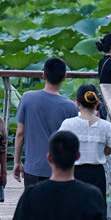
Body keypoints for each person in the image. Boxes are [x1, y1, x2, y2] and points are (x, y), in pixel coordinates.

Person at [14, 57, 79, 188]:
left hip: (33, 168)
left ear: (43, 75)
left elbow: (20, 133)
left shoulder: (27, 98)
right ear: (64, 77)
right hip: (59, 169)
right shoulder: (71, 107)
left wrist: (17, 162)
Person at [58, 84, 111, 194]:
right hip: (97, 174)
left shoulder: (68, 124)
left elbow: (58, 147)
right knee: (96, 203)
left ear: (77, 103)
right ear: (97, 103)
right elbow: (108, 151)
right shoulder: (106, 126)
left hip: (73, 173)